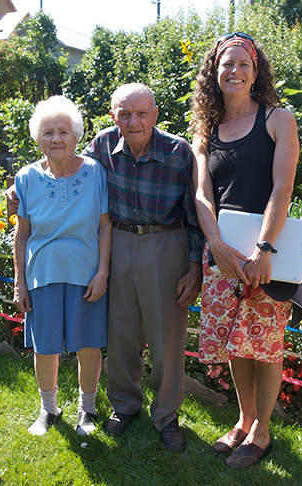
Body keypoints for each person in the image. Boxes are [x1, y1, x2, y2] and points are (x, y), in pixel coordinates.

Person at [190, 33, 302, 468]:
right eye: (226, 64)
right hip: (223, 255)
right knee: (235, 343)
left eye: (244, 63)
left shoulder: (279, 119)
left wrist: (263, 247)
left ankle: (262, 433)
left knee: (265, 344)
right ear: (214, 71)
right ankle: (243, 420)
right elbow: (203, 196)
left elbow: (283, 188)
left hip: (268, 254)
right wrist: (217, 246)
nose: (235, 71)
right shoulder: (205, 130)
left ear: (255, 71)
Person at [83, 83, 203, 452]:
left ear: (155, 114)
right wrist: (21, 187)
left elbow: (195, 215)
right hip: (118, 241)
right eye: (124, 113)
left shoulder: (178, 151)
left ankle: (167, 417)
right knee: (121, 331)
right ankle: (124, 406)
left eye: (141, 113)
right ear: (112, 114)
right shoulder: (102, 145)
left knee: (167, 336)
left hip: (166, 241)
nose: (133, 121)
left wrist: (195, 267)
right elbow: (67, 171)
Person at [13, 96, 111, 437]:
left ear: (76, 136)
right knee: (46, 346)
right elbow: (22, 233)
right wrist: (19, 284)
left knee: (88, 345)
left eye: (63, 132)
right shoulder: (25, 177)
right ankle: (49, 409)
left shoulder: (94, 171)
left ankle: (88, 409)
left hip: (86, 273)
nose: (56, 139)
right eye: (48, 132)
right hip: (43, 273)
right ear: (37, 138)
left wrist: (103, 273)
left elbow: (104, 226)